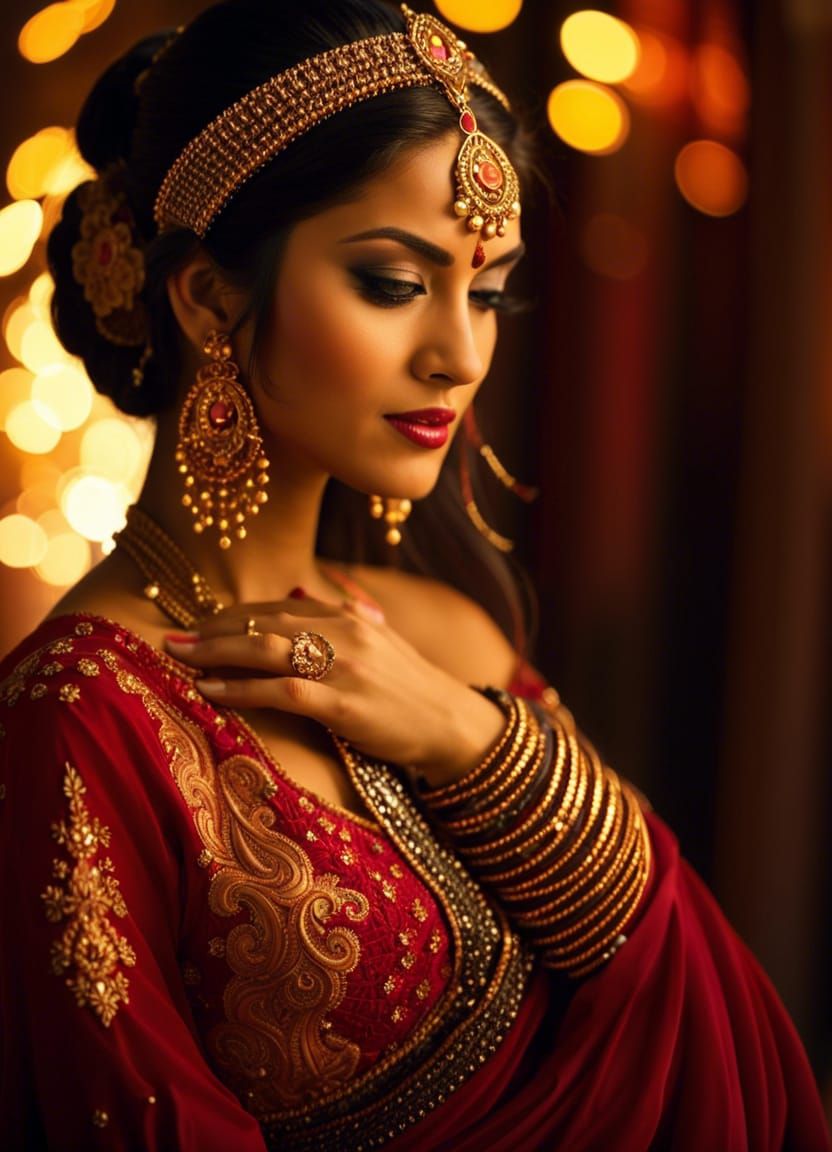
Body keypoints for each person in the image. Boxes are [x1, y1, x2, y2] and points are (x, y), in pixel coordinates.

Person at [0, 1, 828, 1148]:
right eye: (394, 283)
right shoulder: (81, 721)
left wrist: (471, 743)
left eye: (483, 291)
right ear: (206, 299)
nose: (460, 353)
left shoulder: (448, 639)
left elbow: (690, 997)